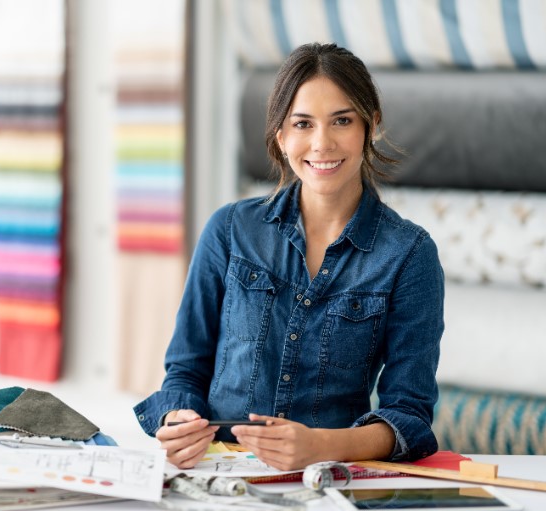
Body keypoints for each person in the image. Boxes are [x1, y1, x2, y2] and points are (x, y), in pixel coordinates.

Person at [133, 42, 444, 471]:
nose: (322, 143)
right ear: (281, 137)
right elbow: (186, 369)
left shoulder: (409, 254)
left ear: (371, 127)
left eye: (341, 120)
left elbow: (409, 414)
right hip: (217, 473)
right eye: (302, 123)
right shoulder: (228, 230)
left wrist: (320, 446)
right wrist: (176, 420)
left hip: (330, 478)